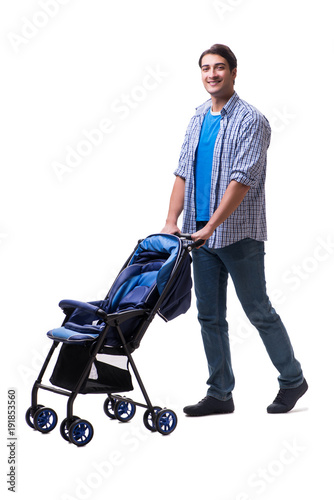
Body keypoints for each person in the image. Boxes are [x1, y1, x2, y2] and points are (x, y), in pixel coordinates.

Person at [161, 44, 308, 416]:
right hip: (197, 235)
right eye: (206, 68)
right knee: (209, 316)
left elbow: (242, 181)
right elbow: (182, 172)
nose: (212, 74)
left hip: (238, 236)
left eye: (220, 67)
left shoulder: (251, 120)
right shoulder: (197, 117)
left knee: (258, 310)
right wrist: (170, 221)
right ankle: (220, 394)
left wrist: (212, 224)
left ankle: (293, 381)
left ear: (234, 72)